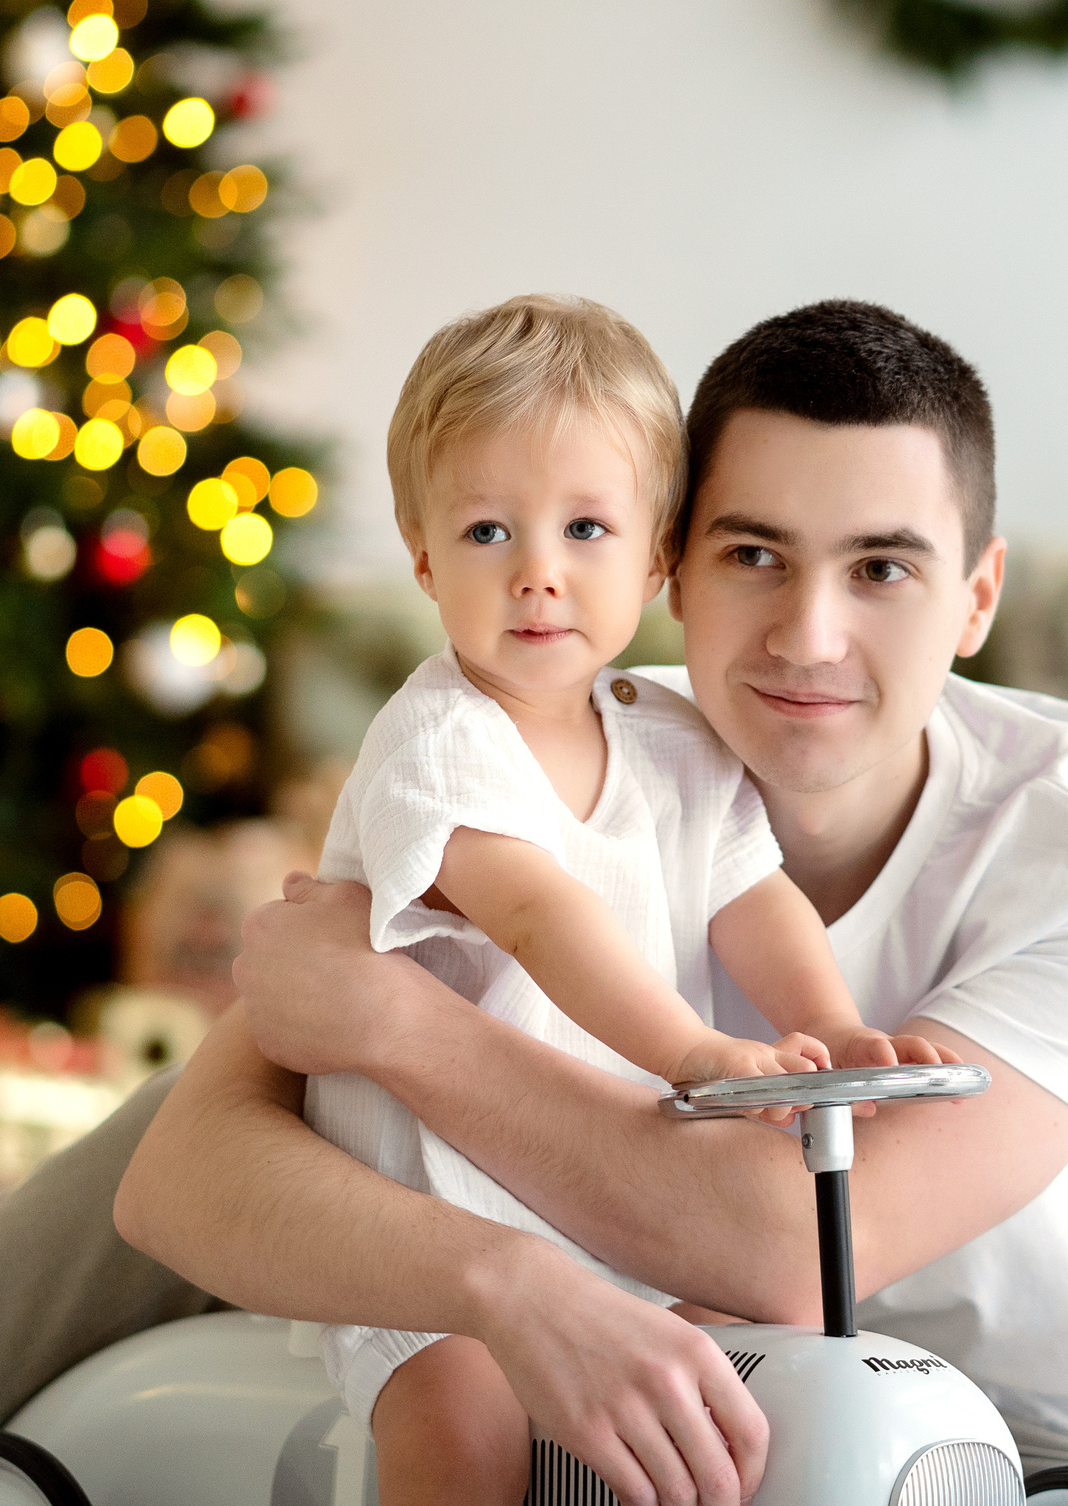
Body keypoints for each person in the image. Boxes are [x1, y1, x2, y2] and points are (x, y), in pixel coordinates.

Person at [0, 299, 1068, 1506]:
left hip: (1055, 1457)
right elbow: (177, 1177)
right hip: (699, 1386)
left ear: (979, 594)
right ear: (672, 567)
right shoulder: (577, 736)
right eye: (755, 555)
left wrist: (395, 1023)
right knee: (238, 1127)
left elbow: (792, 1244)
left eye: (886, 567)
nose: (810, 634)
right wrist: (497, 1275)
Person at [297, 292, 938, 1504]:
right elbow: (536, 915)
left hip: (606, 1206)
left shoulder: (672, 738)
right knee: (465, 1423)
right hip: (435, 1231)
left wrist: (829, 1027)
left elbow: (751, 896)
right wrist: (695, 1052)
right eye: (487, 531)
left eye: (585, 528)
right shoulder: (438, 741)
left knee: (745, 1372)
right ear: (423, 555)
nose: (538, 574)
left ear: (656, 558)